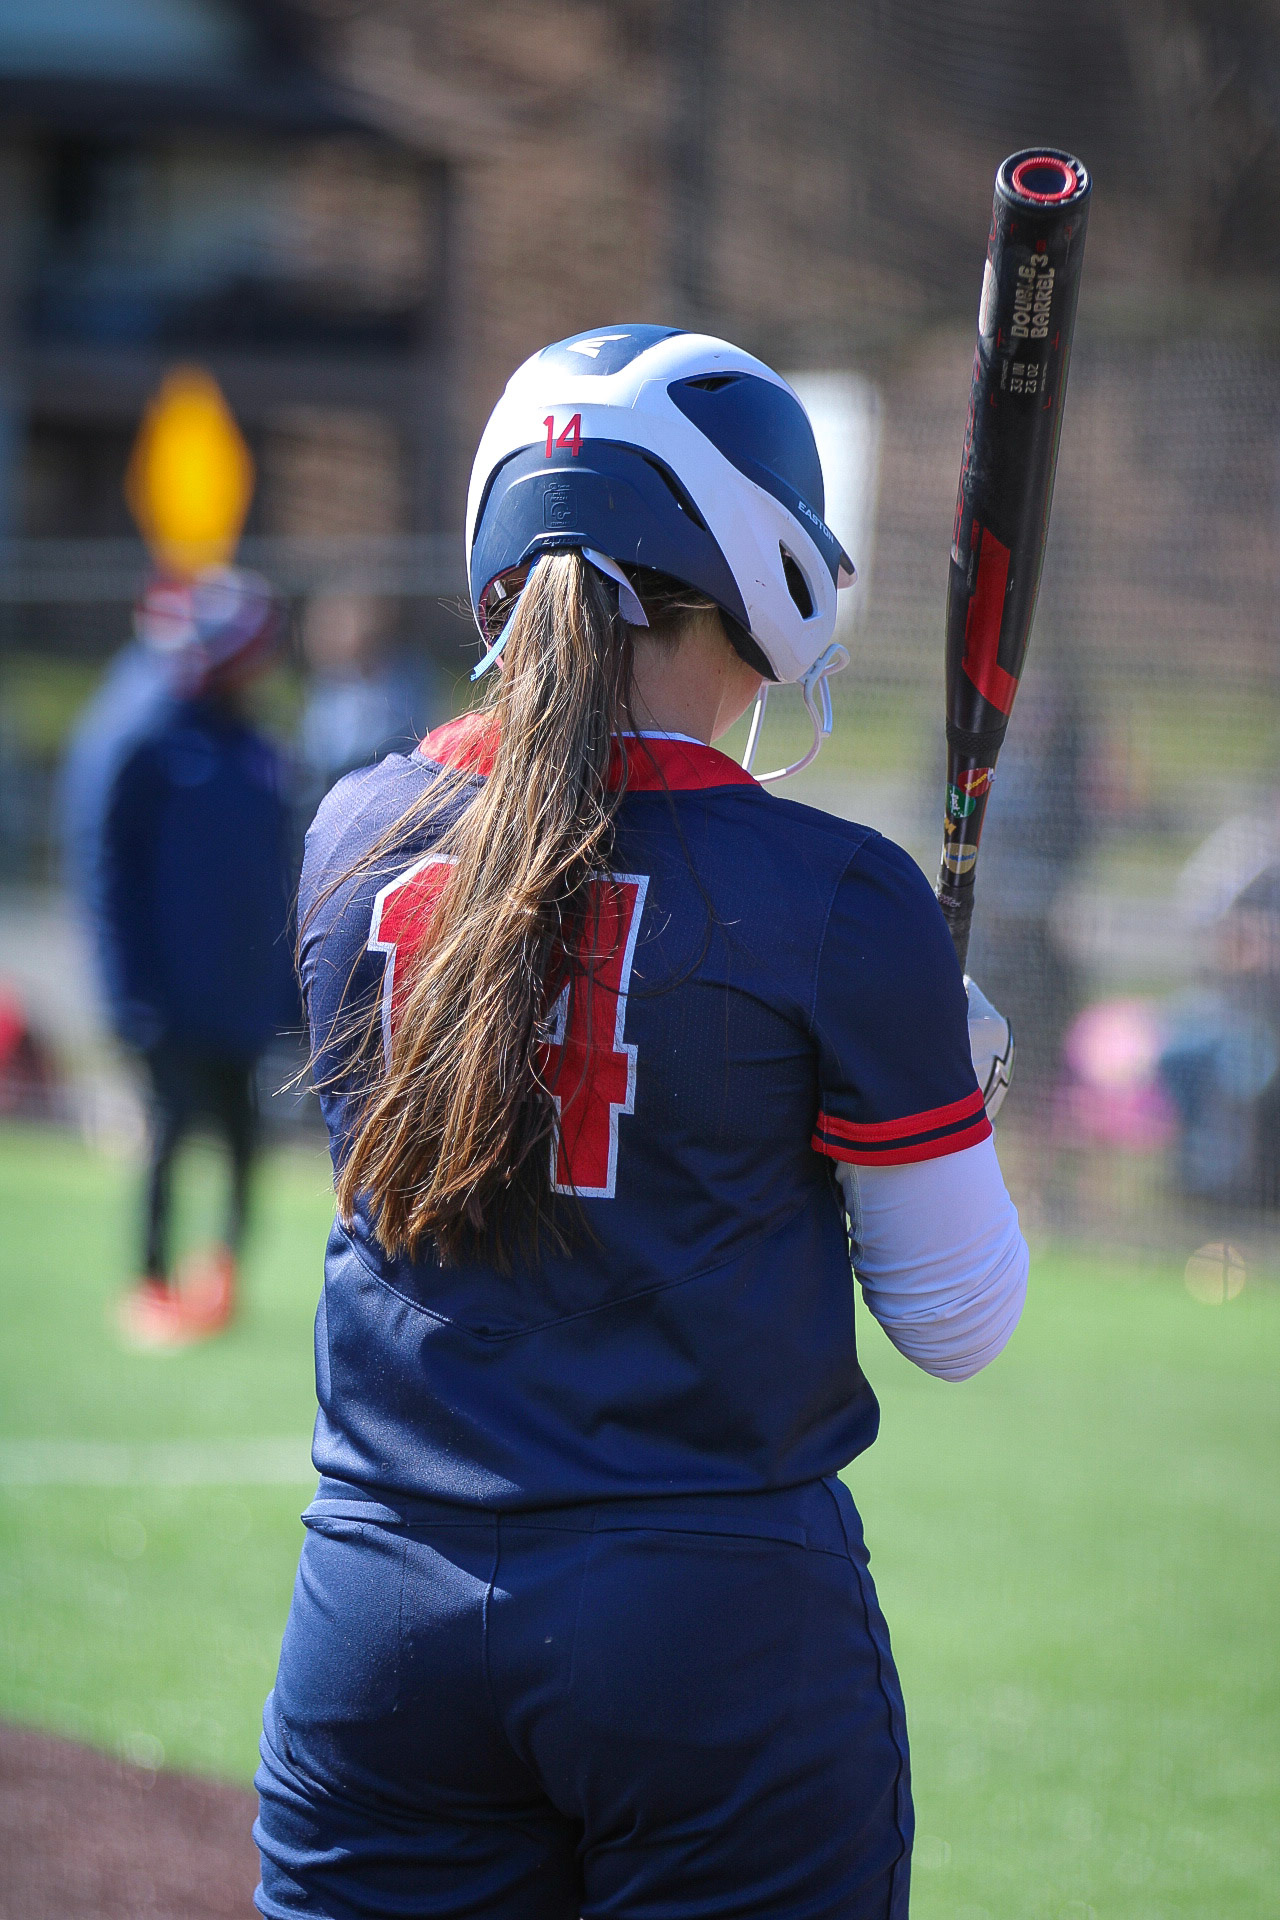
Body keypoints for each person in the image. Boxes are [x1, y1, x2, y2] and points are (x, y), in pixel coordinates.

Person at [255, 326, 1029, 1919]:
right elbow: (958, 1325)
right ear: (763, 563)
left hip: (376, 1627)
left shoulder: (349, 833)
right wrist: (949, 1080)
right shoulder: (835, 893)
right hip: (712, 1635)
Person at [63, 568, 297, 1348]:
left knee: (243, 1136)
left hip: (240, 994)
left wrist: (281, 987)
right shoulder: (142, 732)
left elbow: (275, 873)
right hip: (167, 993)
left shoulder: (257, 746)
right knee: (168, 1134)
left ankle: (219, 1274)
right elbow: (105, 872)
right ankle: (151, 1280)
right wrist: (126, 991)